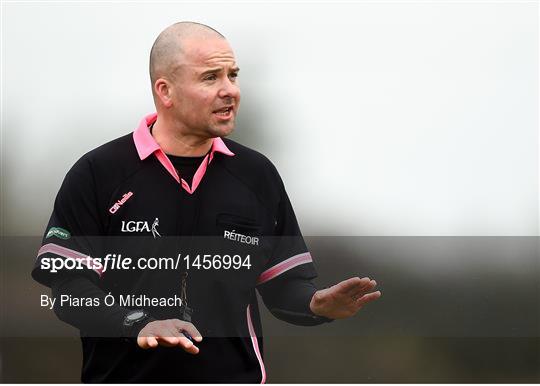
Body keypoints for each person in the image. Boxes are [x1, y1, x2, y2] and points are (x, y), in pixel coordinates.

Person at [32, 21, 381, 383]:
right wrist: (138, 323)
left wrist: (315, 304)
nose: (230, 90)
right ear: (165, 91)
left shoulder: (256, 175)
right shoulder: (98, 173)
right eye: (210, 77)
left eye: (233, 75)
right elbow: (69, 290)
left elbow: (283, 287)